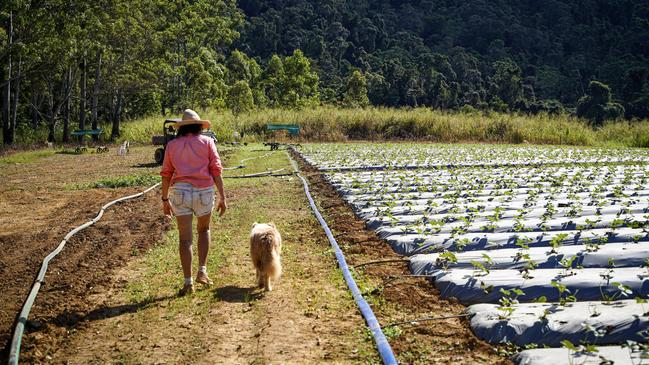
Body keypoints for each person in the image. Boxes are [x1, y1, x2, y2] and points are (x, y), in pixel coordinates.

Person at [160, 109, 227, 296]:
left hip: (180, 192)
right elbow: (216, 169)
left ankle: (188, 282)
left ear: (181, 128)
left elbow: (166, 174)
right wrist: (222, 196)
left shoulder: (172, 146)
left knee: (185, 239)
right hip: (204, 192)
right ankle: (202, 271)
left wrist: (165, 199)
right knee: (204, 230)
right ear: (199, 126)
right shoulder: (207, 142)